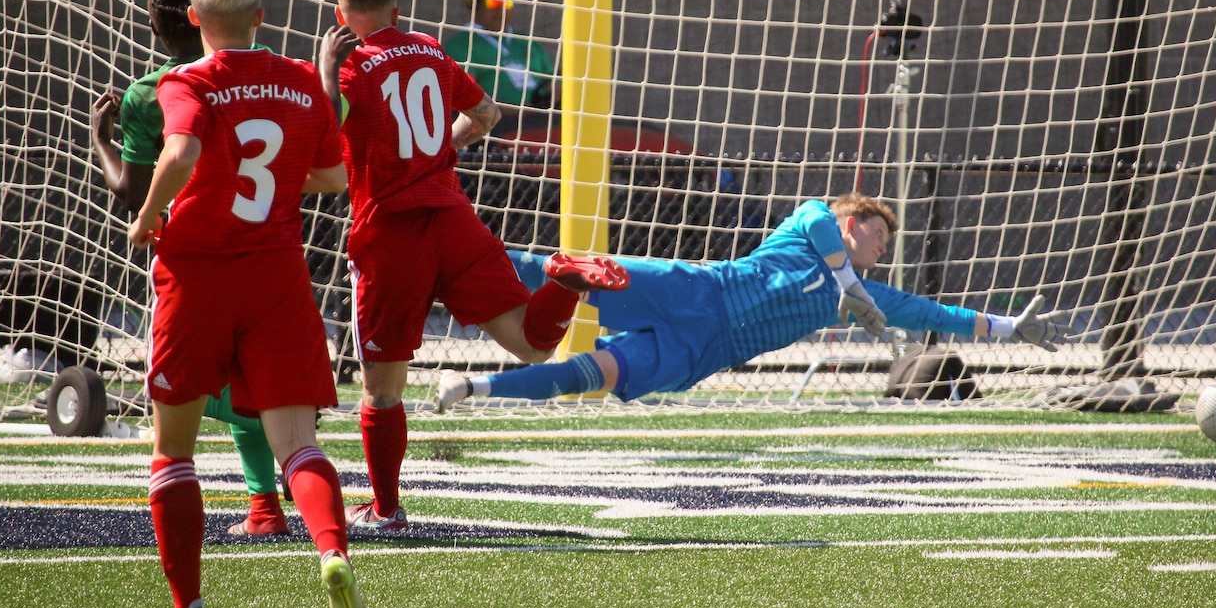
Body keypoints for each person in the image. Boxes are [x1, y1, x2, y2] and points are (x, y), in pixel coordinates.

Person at [316, 0, 627, 533]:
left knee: (382, 392)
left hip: (391, 232)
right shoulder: (432, 49)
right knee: (534, 345)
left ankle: (385, 509)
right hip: (453, 216)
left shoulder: (353, 68)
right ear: (398, 9)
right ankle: (562, 280)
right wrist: (440, 152)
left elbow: (322, 133)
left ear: (341, 15)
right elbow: (488, 113)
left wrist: (327, 70)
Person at [128, 0, 372, 608]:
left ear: (196, 17)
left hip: (197, 277)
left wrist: (146, 218)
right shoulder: (301, 80)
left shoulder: (186, 82)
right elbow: (331, 175)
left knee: (173, 452)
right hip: (276, 275)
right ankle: (331, 554)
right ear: (261, 14)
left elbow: (179, 156)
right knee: (298, 443)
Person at [438, 193, 1075, 407]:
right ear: (854, 227)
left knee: (589, 375)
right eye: (878, 237)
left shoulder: (859, 296)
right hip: (695, 290)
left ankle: (479, 390)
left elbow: (932, 315)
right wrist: (849, 287)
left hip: (702, 353)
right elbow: (815, 213)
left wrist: (1010, 327)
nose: (883, 251)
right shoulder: (817, 234)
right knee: (577, 270)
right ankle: (449, 255)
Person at [90, 0, 288, 538]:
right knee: (250, 383)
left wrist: (98, 140)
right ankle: (267, 504)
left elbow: (131, 191)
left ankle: (190, 598)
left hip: (191, 258)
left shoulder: (150, 94)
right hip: (264, 251)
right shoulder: (271, 74)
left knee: (175, 413)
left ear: (159, 21)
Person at [440, 0, 555, 128]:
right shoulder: (461, 44)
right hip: (495, 128)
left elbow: (551, 84)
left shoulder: (528, 42)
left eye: (507, 2)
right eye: (494, 2)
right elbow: (465, 98)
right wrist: (522, 112)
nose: (501, 9)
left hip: (545, 124)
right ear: (476, 5)